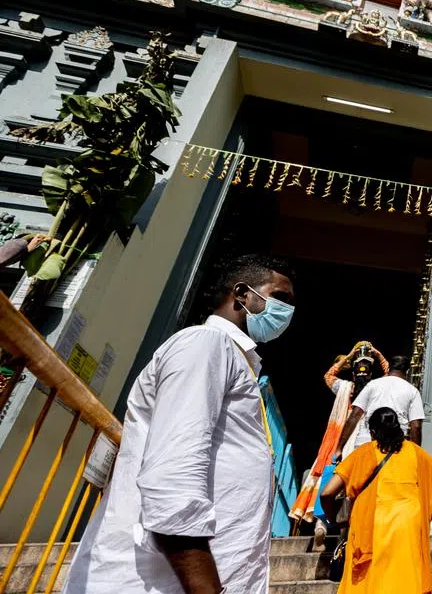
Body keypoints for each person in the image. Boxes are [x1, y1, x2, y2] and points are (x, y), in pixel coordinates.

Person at [64, 254, 296, 594]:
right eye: (280, 298)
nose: (287, 312)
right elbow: (174, 474)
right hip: (159, 583)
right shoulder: (206, 345)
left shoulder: (235, 359)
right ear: (243, 295)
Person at [320, 407, 432, 594]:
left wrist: (332, 518)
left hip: (374, 525)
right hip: (408, 524)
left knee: (372, 581)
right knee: (403, 580)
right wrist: (426, 516)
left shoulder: (364, 453)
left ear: (373, 432)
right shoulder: (416, 453)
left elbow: (326, 493)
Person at [291, 343, 389, 540]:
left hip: (345, 442)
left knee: (333, 480)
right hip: (358, 441)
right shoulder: (374, 389)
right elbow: (389, 374)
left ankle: (323, 525)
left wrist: (351, 355)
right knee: (354, 482)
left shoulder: (347, 388)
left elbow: (329, 376)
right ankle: (344, 526)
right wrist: (377, 355)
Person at [337, 354, 425, 456]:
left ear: (388, 368)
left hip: (365, 443)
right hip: (394, 448)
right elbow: (416, 426)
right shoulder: (412, 391)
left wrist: (339, 448)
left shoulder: (372, 385)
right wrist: (416, 455)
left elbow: (355, 415)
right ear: (408, 371)